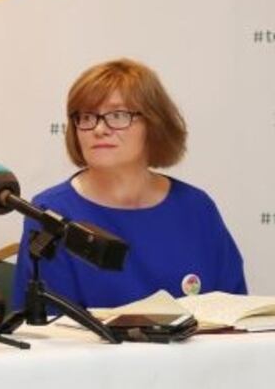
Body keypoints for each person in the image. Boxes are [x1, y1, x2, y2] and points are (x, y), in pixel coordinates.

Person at [13, 58, 246, 310]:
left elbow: (234, 313)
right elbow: (50, 333)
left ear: (154, 124)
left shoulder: (196, 207)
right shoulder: (52, 213)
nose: (99, 129)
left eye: (117, 115)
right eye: (87, 116)